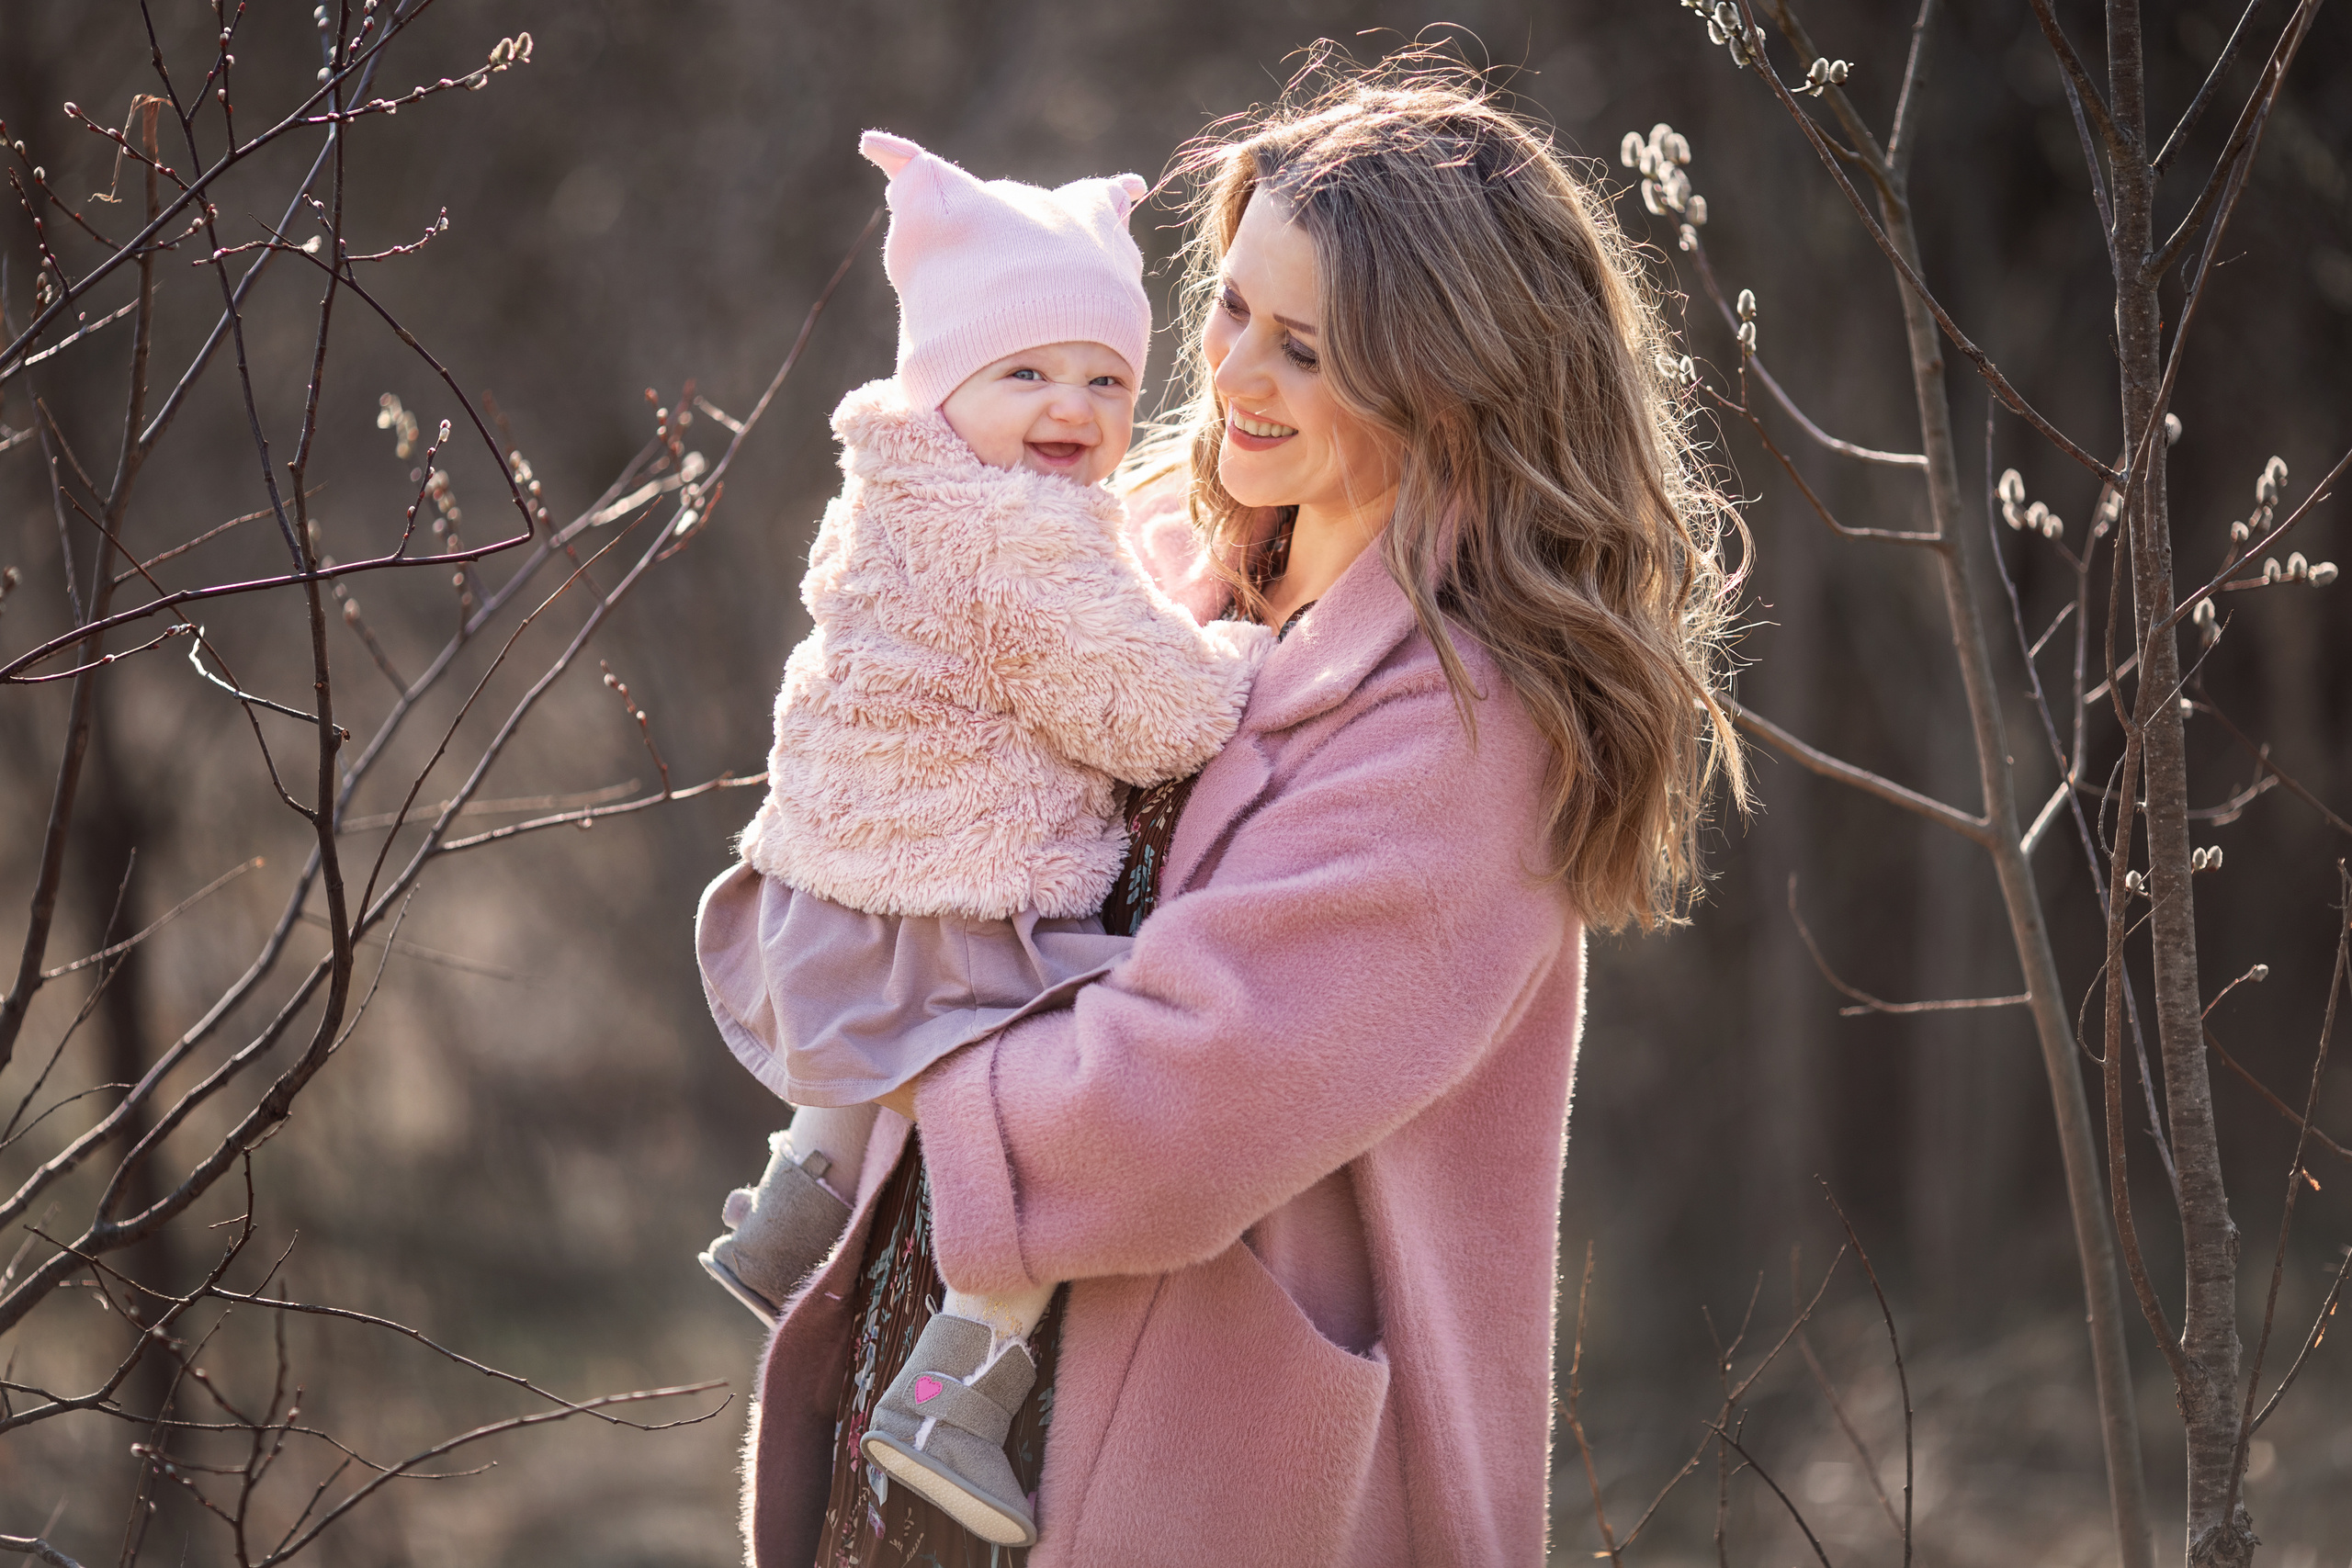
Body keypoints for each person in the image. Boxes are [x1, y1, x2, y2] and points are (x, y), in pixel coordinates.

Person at [697, 59, 1744, 1567]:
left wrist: (905, 1039)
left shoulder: (1469, 728)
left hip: (1184, 1456)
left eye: (1306, 349)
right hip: (942, 1379)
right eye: (1233, 309)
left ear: (1449, 383)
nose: (1237, 375)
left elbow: (1183, 1102)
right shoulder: (1158, 549)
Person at [695, 130, 1269, 1547]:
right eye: (1026, 374)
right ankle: (961, 1383)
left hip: (827, 883)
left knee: (873, 1040)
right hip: (955, 905)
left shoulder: (894, 486)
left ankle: (794, 1204)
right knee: (1023, 1113)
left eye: (1106, 380)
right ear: (948, 378)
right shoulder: (1029, 541)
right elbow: (1148, 716)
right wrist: (1245, 662)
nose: (1071, 409)